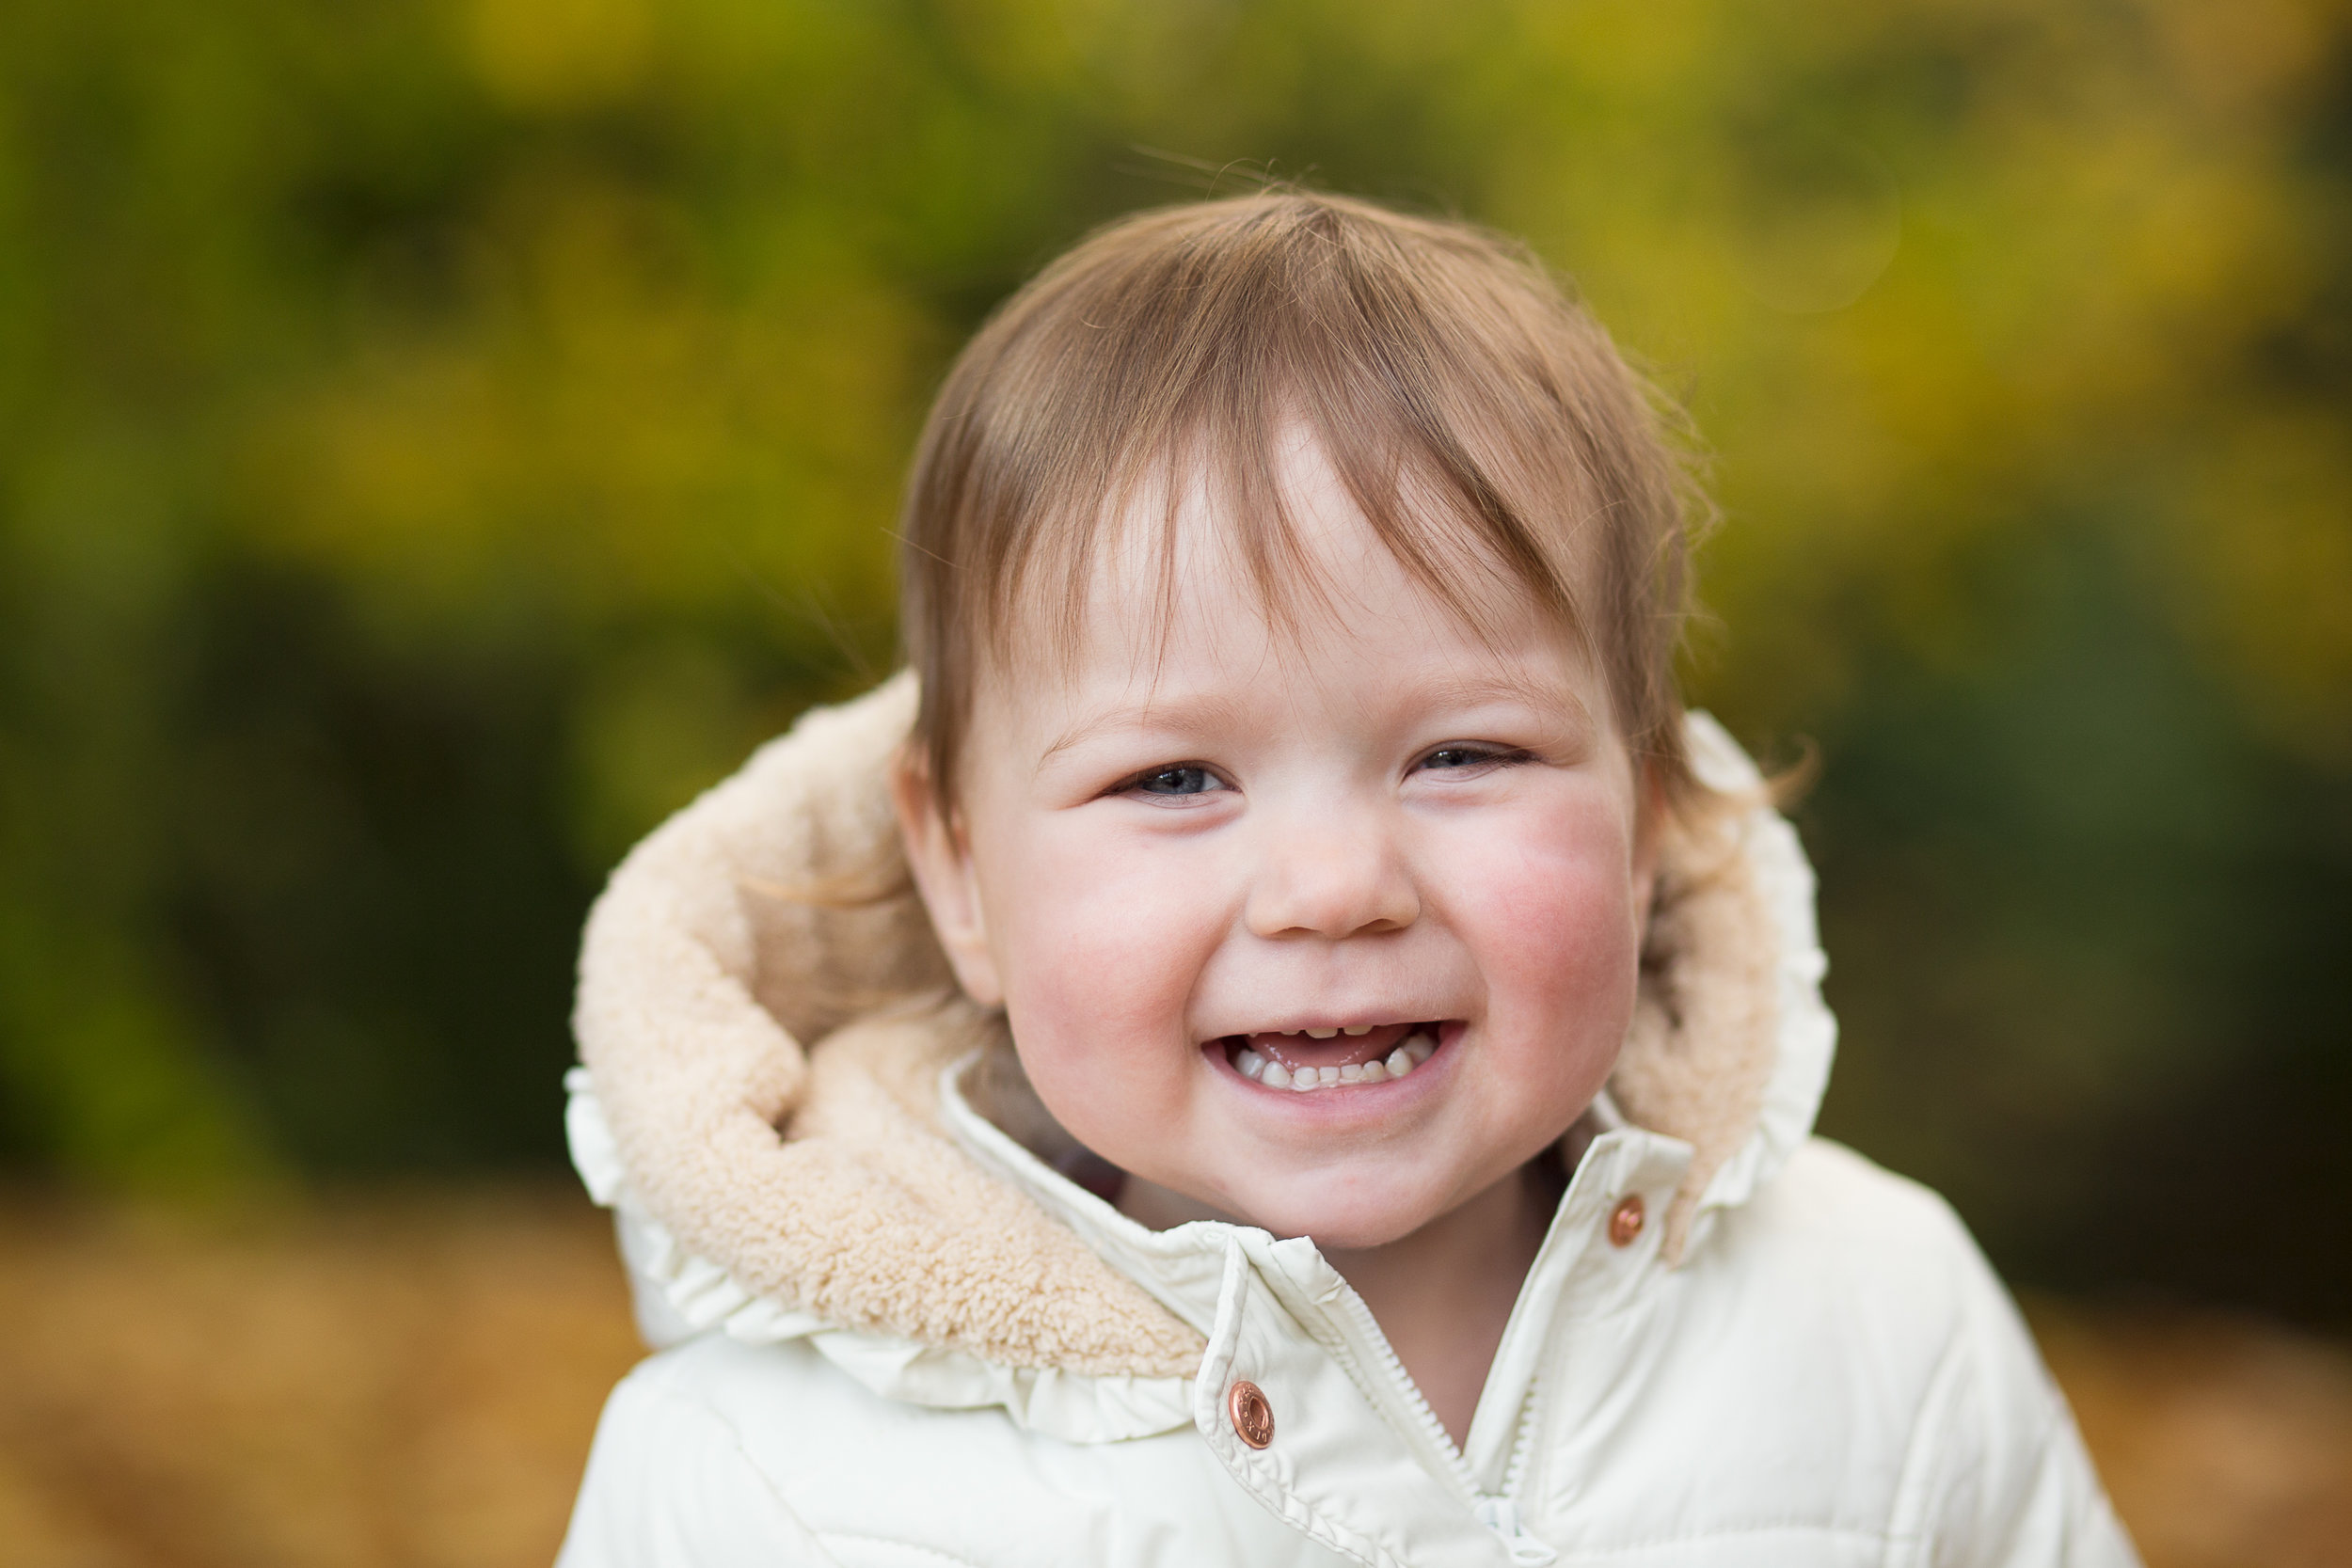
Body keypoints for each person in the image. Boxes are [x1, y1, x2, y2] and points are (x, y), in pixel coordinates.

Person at [555, 190, 2138, 1566]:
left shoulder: (1881, 1326)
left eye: (1464, 756)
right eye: (1173, 778)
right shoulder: (755, 1483)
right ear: (961, 878)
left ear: (1652, 814)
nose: (1331, 889)